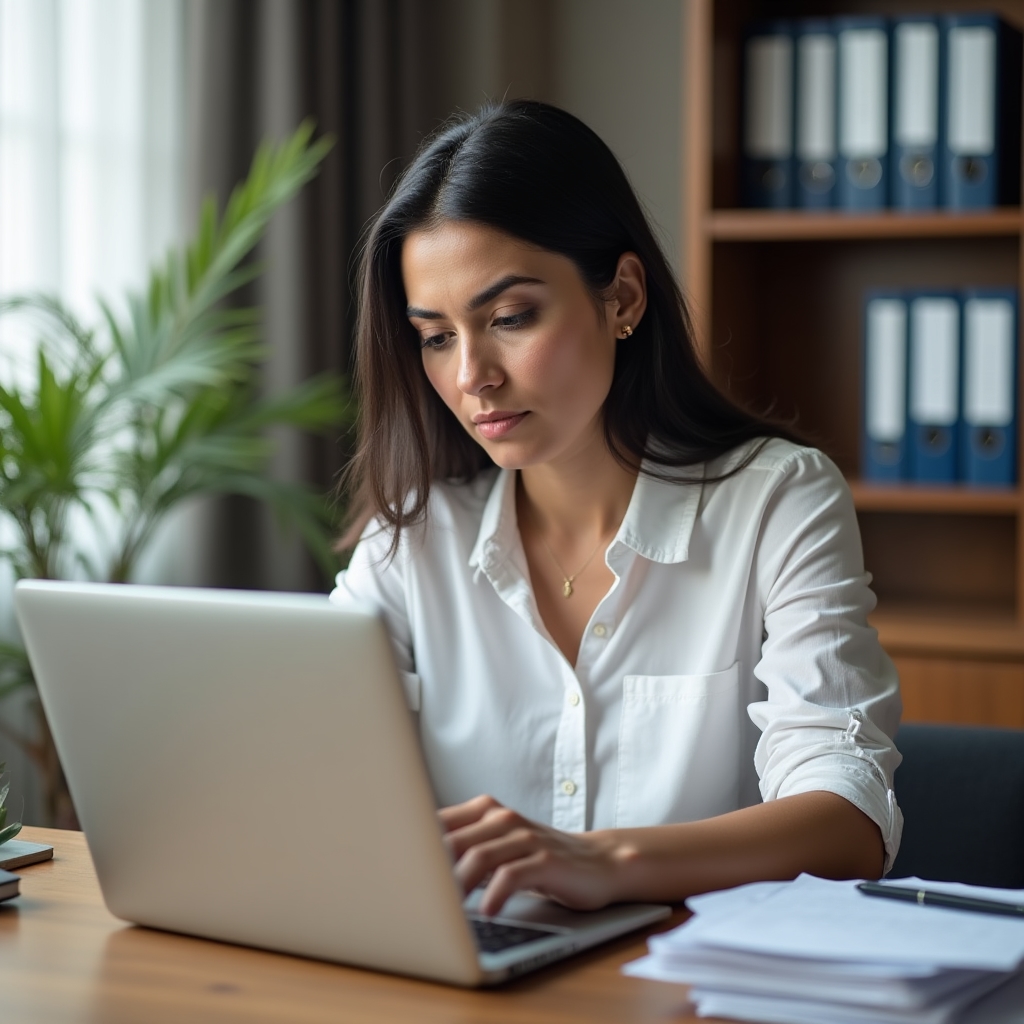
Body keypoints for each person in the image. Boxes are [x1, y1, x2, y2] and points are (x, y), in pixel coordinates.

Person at [330, 100, 902, 917]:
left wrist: (604, 860)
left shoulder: (777, 501)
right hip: (476, 983)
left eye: (509, 318)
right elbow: (307, 766)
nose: (472, 376)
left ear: (623, 296)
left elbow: (847, 823)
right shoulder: (413, 540)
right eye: (437, 336)